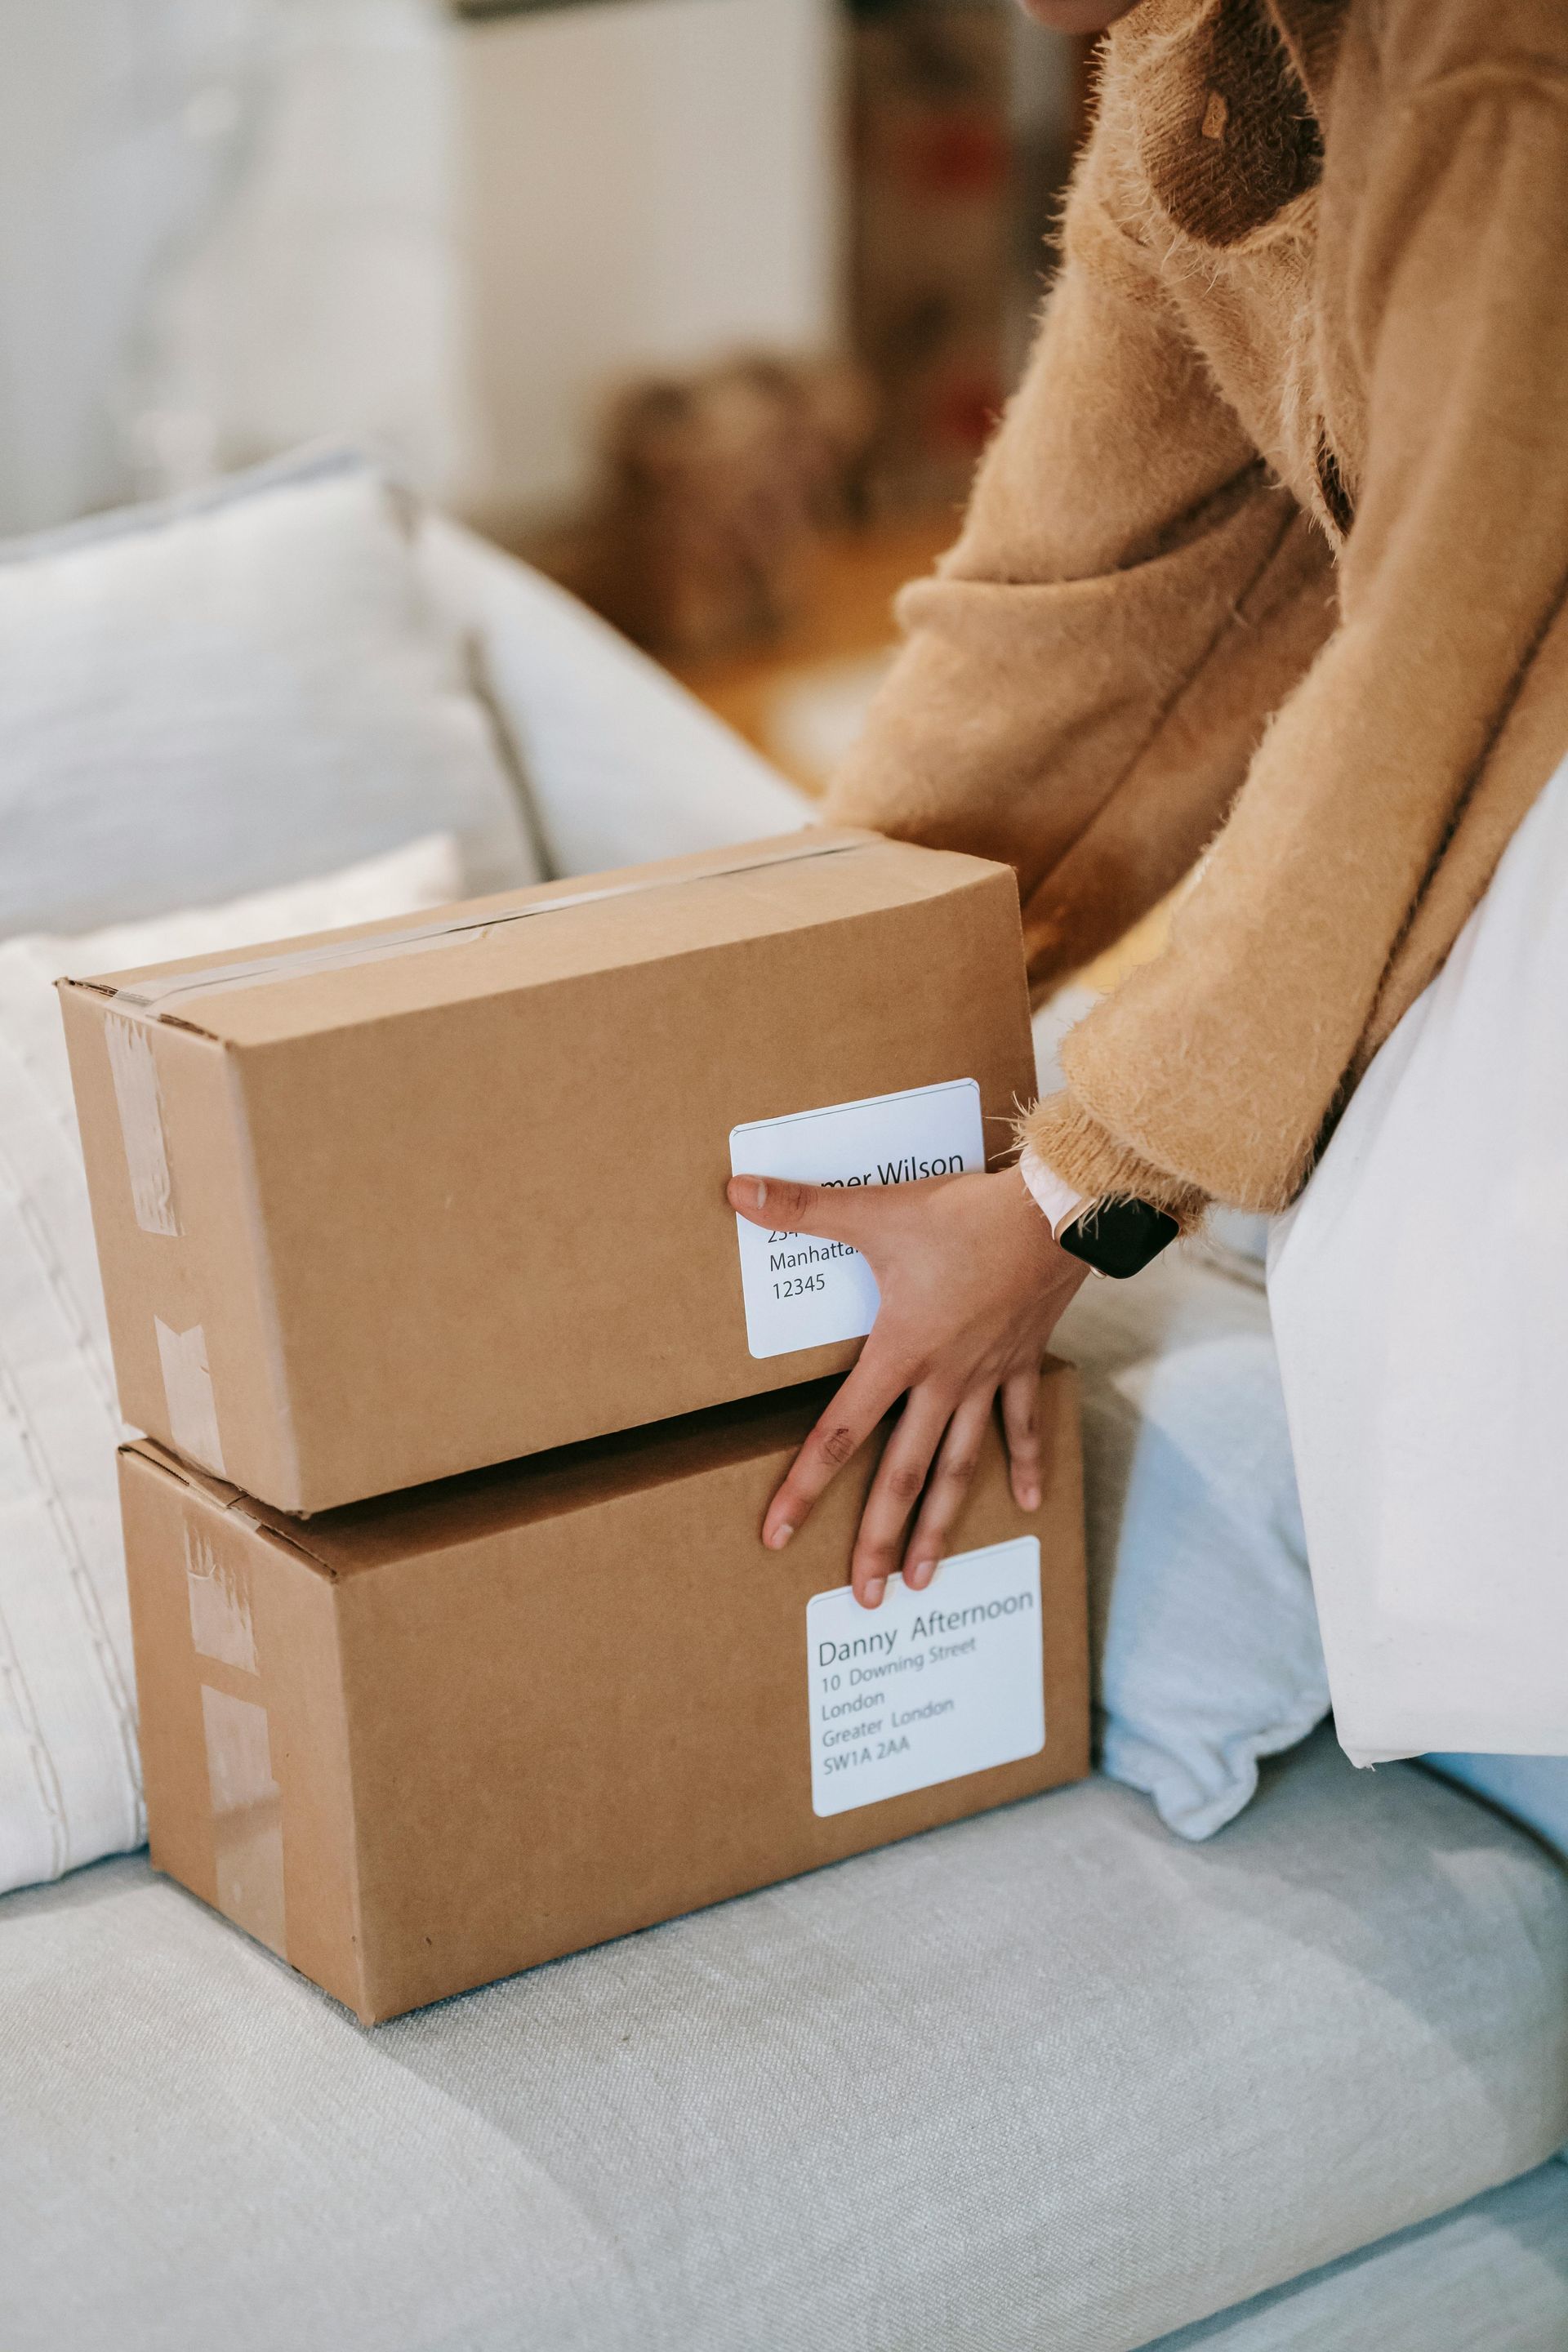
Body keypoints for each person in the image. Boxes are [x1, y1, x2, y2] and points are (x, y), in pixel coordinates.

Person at [728, 0, 1568, 1690]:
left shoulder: (1494, 62)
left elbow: (1436, 672)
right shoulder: (1183, 58)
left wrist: (1081, 1194)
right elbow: (1068, 616)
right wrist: (764, 999)